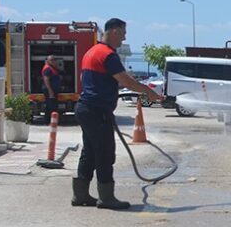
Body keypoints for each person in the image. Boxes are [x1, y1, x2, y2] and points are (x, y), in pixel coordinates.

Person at [73, 18, 165, 210]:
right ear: (114, 31)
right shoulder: (108, 55)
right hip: (97, 111)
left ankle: (80, 195)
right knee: (105, 154)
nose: (124, 37)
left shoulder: (91, 52)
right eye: (123, 33)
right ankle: (106, 198)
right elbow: (126, 81)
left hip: (86, 108)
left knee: (89, 152)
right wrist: (150, 93)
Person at [40, 55, 63, 124]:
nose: (54, 61)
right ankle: (50, 121)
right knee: (51, 106)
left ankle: (49, 121)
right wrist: (50, 92)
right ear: (47, 61)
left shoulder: (52, 68)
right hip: (49, 90)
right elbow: (46, 80)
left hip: (52, 90)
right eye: (52, 60)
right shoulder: (47, 69)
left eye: (54, 60)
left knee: (50, 105)